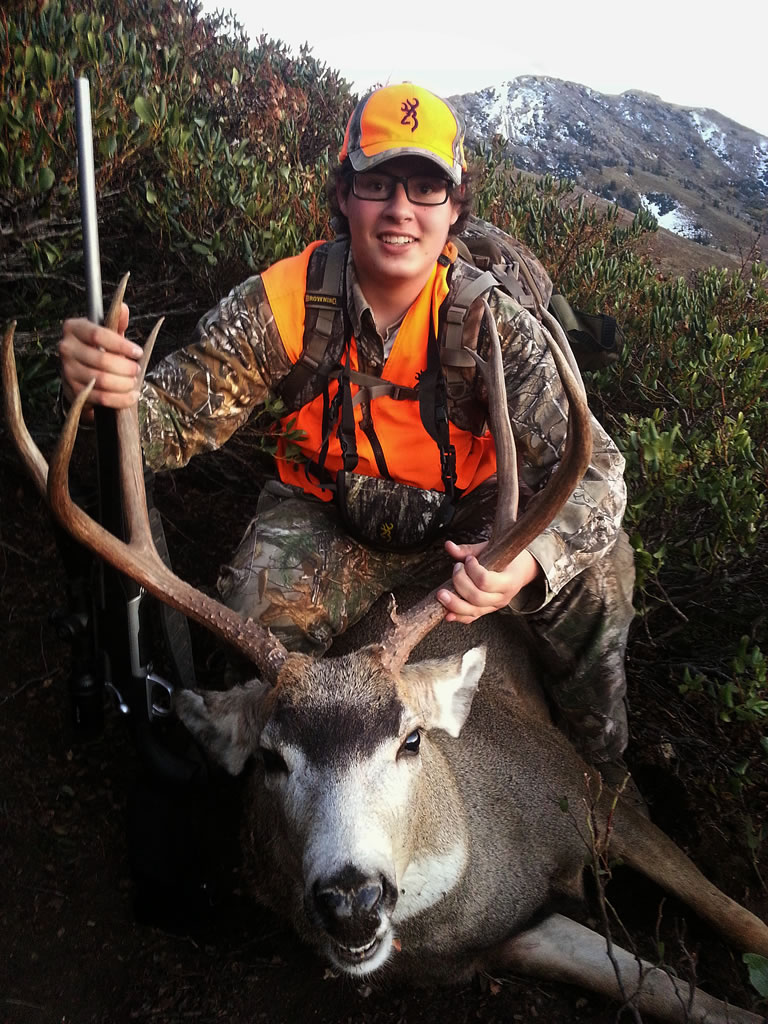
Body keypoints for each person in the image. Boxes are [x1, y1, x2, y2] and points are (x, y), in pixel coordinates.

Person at [58, 83, 635, 778]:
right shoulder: (283, 303)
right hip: (327, 521)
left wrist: (525, 562)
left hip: (470, 534)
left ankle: (599, 771)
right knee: (255, 650)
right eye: (377, 183)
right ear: (344, 195)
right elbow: (162, 425)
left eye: (426, 188)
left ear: (454, 208)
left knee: (597, 576)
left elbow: (598, 471)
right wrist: (105, 394)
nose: (400, 210)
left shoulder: (495, 328)